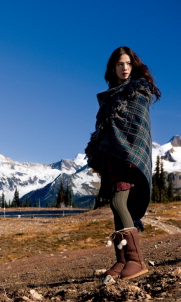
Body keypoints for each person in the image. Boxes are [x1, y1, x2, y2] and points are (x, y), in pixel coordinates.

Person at [85, 46, 161, 280]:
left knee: (119, 203)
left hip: (128, 158)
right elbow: (105, 130)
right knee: (116, 208)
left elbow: (138, 128)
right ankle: (121, 261)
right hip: (112, 159)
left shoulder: (139, 92)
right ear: (113, 68)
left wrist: (129, 152)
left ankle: (136, 260)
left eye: (128, 63)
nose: (125, 68)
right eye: (120, 64)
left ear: (133, 65)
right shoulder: (110, 97)